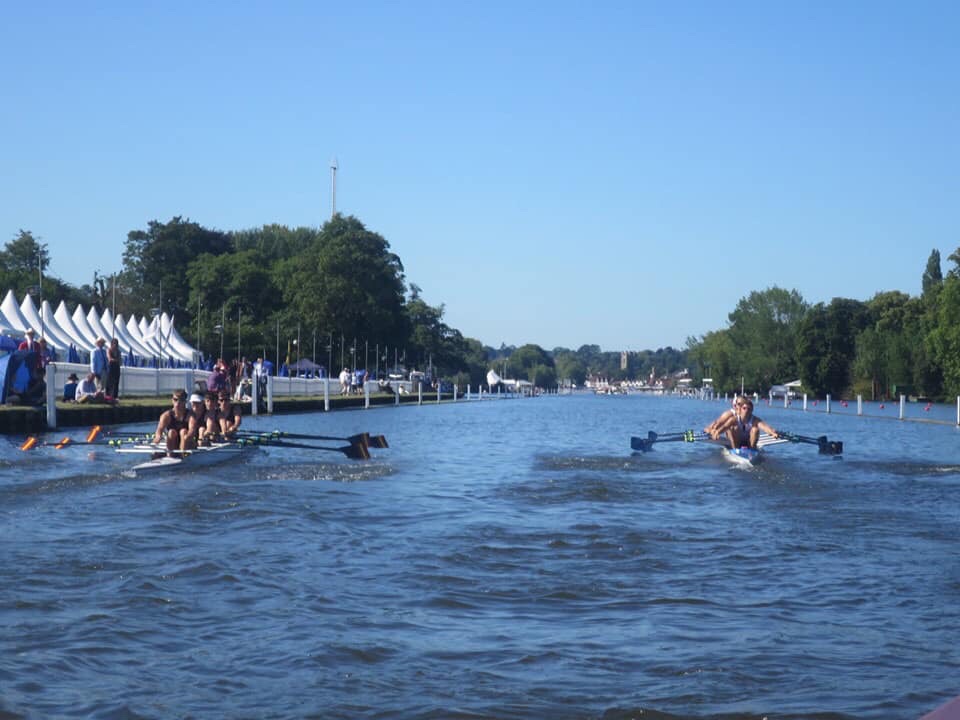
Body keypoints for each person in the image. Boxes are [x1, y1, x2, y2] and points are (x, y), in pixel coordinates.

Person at [152, 390, 195, 455]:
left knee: (183, 431)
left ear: (185, 402)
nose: (178, 403)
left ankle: (183, 455)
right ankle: (170, 456)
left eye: (181, 400)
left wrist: (187, 437)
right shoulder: (166, 415)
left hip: (188, 442)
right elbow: (159, 429)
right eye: (175, 400)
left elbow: (192, 430)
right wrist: (158, 437)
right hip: (173, 441)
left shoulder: (190, 415)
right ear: (172, 400)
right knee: (171, 432)